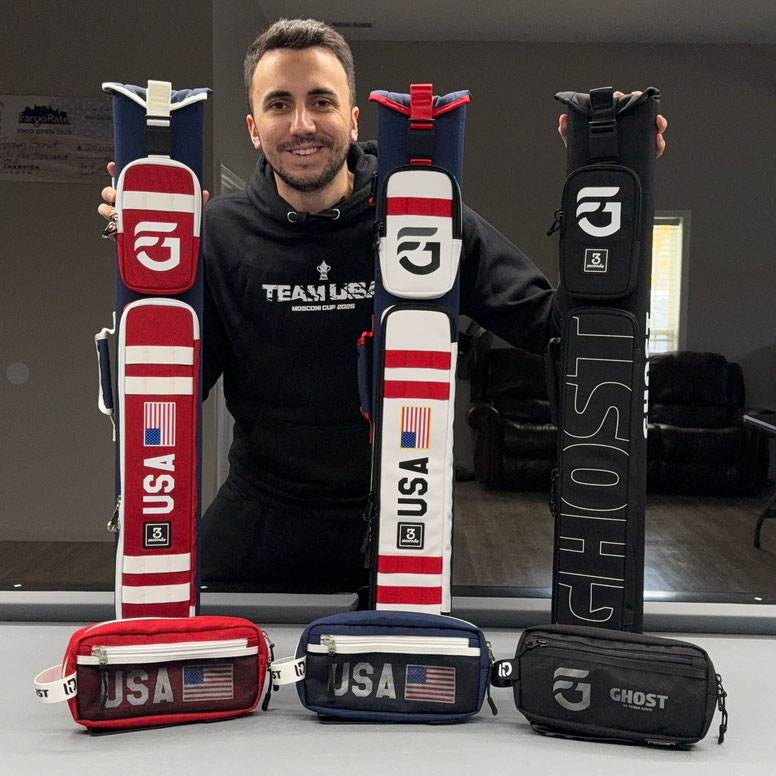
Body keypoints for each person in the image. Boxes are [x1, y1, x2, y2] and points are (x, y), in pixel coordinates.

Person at [99, 18, 667, 595]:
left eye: (321, 101)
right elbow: (168, 389)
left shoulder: (425, 214)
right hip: (259, 519)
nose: (302, 124)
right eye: (279, 104)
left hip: (400, 516)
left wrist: (614, 191)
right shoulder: (219, 233)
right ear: (254, 127)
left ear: (352, 118)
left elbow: (562, 330)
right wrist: (155, 263)